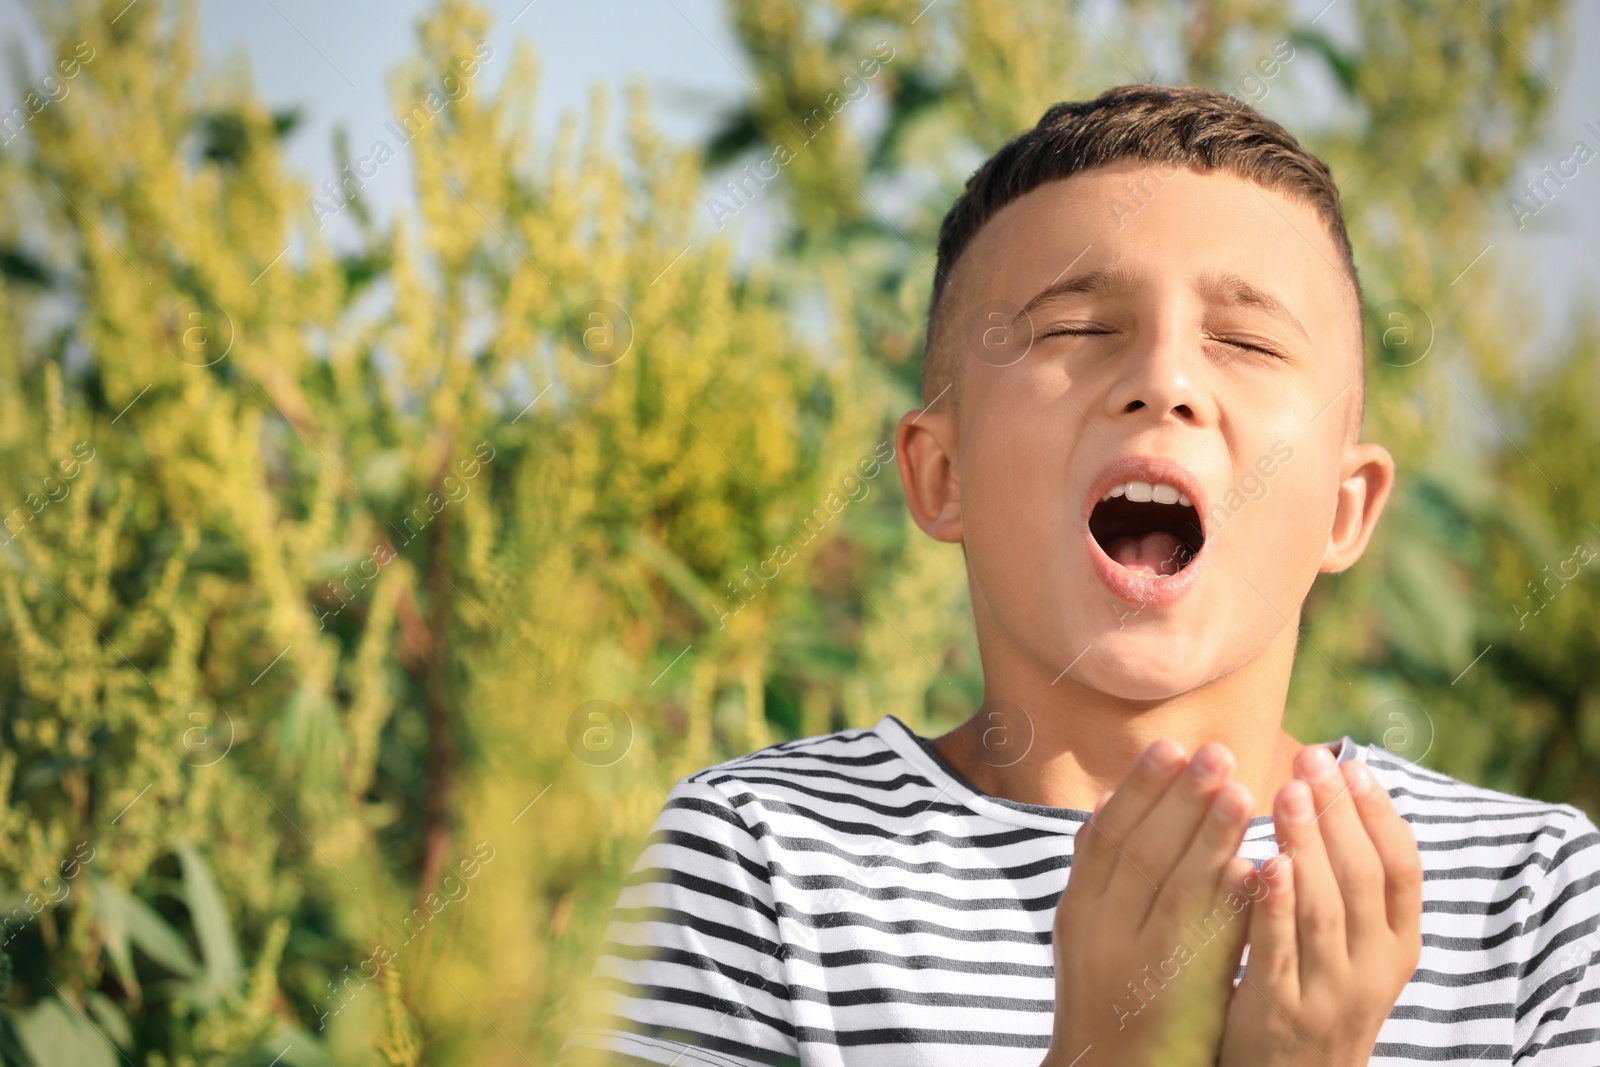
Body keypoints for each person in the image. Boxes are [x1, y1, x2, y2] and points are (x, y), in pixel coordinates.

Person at [559, 84, 1600, 1066]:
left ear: (1344, 504)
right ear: (941, 472)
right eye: (1077, 329)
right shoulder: (761, 861)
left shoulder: (1529, 898)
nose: (1163, 380)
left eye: (1241, 338)